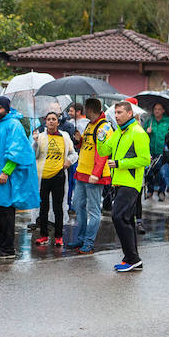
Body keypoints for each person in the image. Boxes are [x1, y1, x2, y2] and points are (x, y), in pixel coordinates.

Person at [0, 96, 40, 259]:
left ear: (7, 108)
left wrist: (6, 172)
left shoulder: (14, 125)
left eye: (0, 107)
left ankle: (8, 248)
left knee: (5, 212)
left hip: (4, 178)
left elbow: (16, 151)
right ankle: (2, 246)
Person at [97, 101, 150, 272]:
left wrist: (119, 163)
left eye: (120, 112)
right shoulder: (118, 132)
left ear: (129, 113)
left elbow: (145, 160)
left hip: (131, 183)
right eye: (116, 113)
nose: (117, 116)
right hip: (118, 182)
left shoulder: (138, 132)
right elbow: (104, 151)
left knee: (119, 217)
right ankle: (133, 259)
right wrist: (101, 138)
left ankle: (132, 258)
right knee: (126, 219)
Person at [67, 98, 111, 253]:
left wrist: (96, 174)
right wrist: (78, 141)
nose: (83, 110)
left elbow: (102, 153)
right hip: (82, 172)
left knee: (93, 210)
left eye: (85, 108)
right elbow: (85, 147)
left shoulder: (104, 127)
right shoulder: (88, 125)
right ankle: (80, 239)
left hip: (93, 176)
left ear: (90, 109)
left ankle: (89, 242)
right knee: (78, 206)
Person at [32, 111, 77, 247]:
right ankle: (44, 235)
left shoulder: (64, 136)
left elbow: (73, 153)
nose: (51, 121)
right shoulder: (39, 137)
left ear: (58, 122)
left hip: (58, 176)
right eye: (48, 119)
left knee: (58, 208)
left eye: (54, 119)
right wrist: (35, 143)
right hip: (43, 177)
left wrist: (69, 161)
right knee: (43, 207)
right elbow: (33, 155)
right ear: (45, 122)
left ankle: (58, 236)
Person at [143, 103, 169, 200]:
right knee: (149, 171)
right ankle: (150, 190)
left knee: (161, 173)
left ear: (163, 110)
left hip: (162, 151)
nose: (157, 111)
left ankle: (161, 191)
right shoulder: (149, 120)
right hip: (150, 151)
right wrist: (147, 132)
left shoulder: (167, 121)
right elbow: (142, 134)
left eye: (159, 109)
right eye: (155, 109)